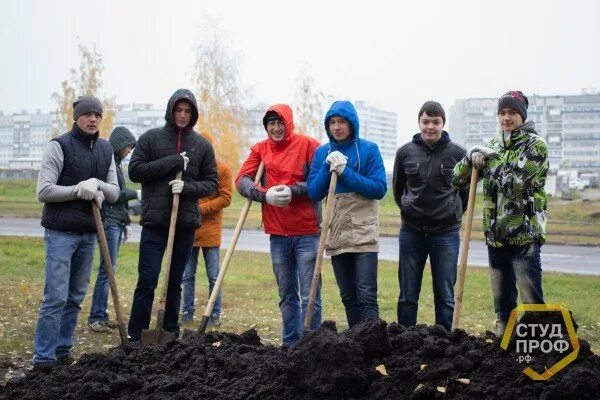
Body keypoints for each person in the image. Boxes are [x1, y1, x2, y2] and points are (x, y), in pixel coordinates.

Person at [452, 90, 549, 336]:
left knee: (531, 298)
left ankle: (538, 345)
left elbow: (514, 185)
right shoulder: (494, 144)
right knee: (502, 297)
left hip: (524, 235)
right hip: (496, 234)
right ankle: (503, 337)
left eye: (512, 113)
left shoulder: (535, 146)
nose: (506, 118)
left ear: (522, 115)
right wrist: (469, 158)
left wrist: (491, 160)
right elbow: (456, 180)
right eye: (502, 113)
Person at [33, 96, 119, 365]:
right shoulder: (59, 146)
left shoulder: (106, 150)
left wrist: (97, 183)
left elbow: (114, 192)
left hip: (90, 234)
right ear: (76, 117)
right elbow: (43, 190)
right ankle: (43, 358)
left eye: (97, 115)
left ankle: (62, 351)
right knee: (55, 297)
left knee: (75, 298)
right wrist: (77, 189)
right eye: (87, 114)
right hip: (60, 233)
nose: (93, 119)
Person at [127, 89, 218, 342]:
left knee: (174, 281)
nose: (182, 115)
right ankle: (136, 334)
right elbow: (135, 171)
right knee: (147, 279)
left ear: (194, 114)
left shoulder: (202, 145)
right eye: (178, 110)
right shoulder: (151, 138)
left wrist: (187, 188)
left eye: (188, 111)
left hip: (185, 223)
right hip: (155, 222)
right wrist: (172, 162)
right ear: (170, 110)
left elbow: (211, 183)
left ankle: (169, 332)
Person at [236, 104, 321, 345]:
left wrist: (294, 191)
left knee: (310, 294)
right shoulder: (260, 148)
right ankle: (290, 343)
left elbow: (319, 182)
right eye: (271, 123)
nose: (275, 128)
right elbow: (242, 179)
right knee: (287, 294)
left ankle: (313, 345)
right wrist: (264, 194)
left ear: (289, 123)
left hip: (307, 231)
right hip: (278, 234)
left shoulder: (309, 145)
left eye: (280, 122)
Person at [307, 100, 387, 329]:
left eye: (341, 121)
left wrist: (345, 172)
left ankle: (372, 342)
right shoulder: (323, 152)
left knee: (366, 293)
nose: (336, 127)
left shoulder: (369, 150)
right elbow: (314, 191)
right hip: (337, 229)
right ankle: (355, 341)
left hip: (363, 231)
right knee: (349, 295)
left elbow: (379, 189)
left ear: (352, 123)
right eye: (332, 122)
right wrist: (326, 167)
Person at [393, 101, 467, 333]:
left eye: (435, 122)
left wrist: (450, 213)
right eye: (426, 121)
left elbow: (464, 194)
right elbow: (398, 190)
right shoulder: (405, 152)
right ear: (419, 123)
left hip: (445, 234)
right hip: (411, 232)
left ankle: (444, 343)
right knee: (407, 294)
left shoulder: (458, 154)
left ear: (443, 124)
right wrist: (408, 208)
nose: (430, 127)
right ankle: (405, 342)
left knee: (445, 294)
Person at [87, 126, 137, 333]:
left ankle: (102, 314)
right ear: (119, 144)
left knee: (110, 270)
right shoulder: (109, 164)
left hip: (117, 221)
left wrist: (126, 221)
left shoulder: (116, 165)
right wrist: (136, 193)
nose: (129, 151)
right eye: (128, 147)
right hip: (108, 222)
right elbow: (115, 195)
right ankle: (96, 317)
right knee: (106, 270)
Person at [181, 131, 232, 326]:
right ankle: (187, 312)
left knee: (214, 276)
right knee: (187, 275)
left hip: (210, 230)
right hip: (189, 229)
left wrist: (201, 208)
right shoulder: (188, 169)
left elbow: (225, 197)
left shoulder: (222, 169)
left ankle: (214, 314)